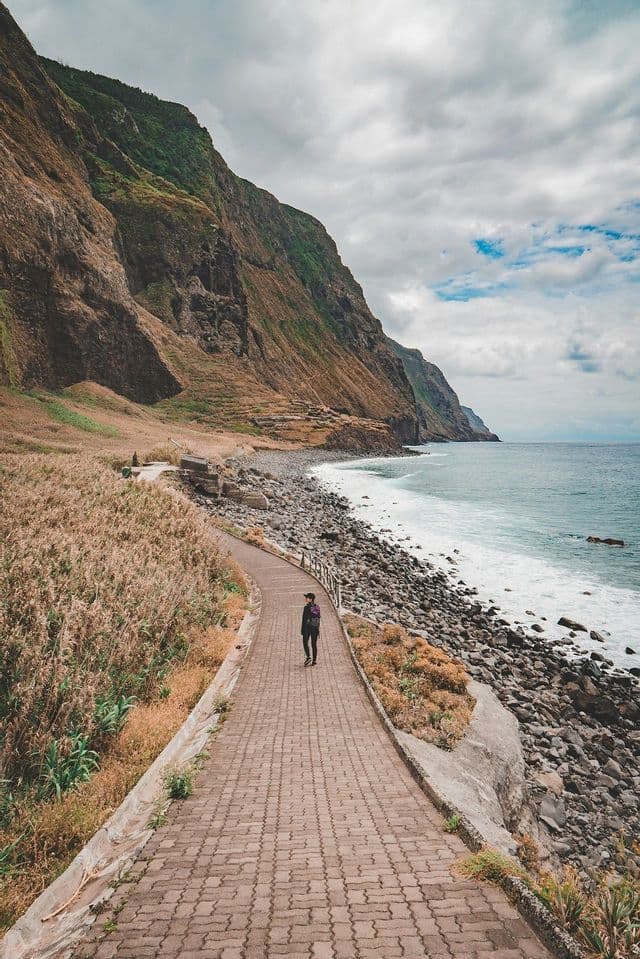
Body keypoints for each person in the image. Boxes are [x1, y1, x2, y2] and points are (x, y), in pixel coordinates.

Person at [301, 592, 320, 666]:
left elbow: (304, 620)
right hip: (315, 628)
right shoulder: (317, 607)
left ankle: (308, 657)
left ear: (311, 599)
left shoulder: (306, 608)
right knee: (314, 644)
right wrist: (318, 629)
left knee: (305, 642)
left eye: (307, 598)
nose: (305, 599)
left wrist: (302, 630)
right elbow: (318, 618)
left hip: (307, 628)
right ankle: (314, 660)